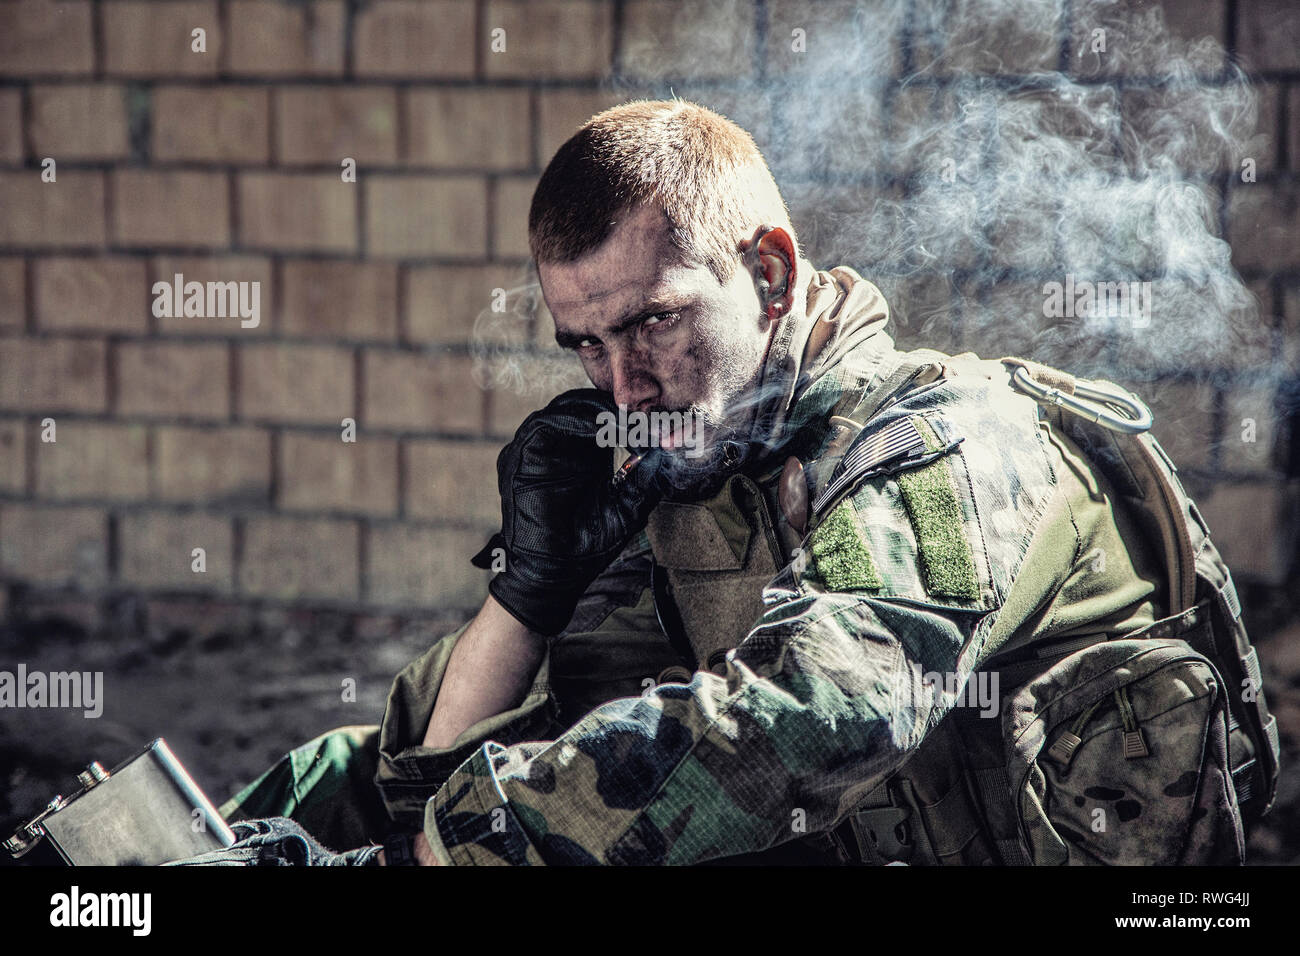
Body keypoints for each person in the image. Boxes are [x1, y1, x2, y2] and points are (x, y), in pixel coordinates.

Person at [175, 99, 1265, 867]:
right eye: (585, 344)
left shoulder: (951, 442)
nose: (622, 379)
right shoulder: (704, 476)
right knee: (323, 784)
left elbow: (820, 709)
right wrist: (528, 591)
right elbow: (432, 760)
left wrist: (467, 842)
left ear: (769, 271)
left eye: (651, 319)